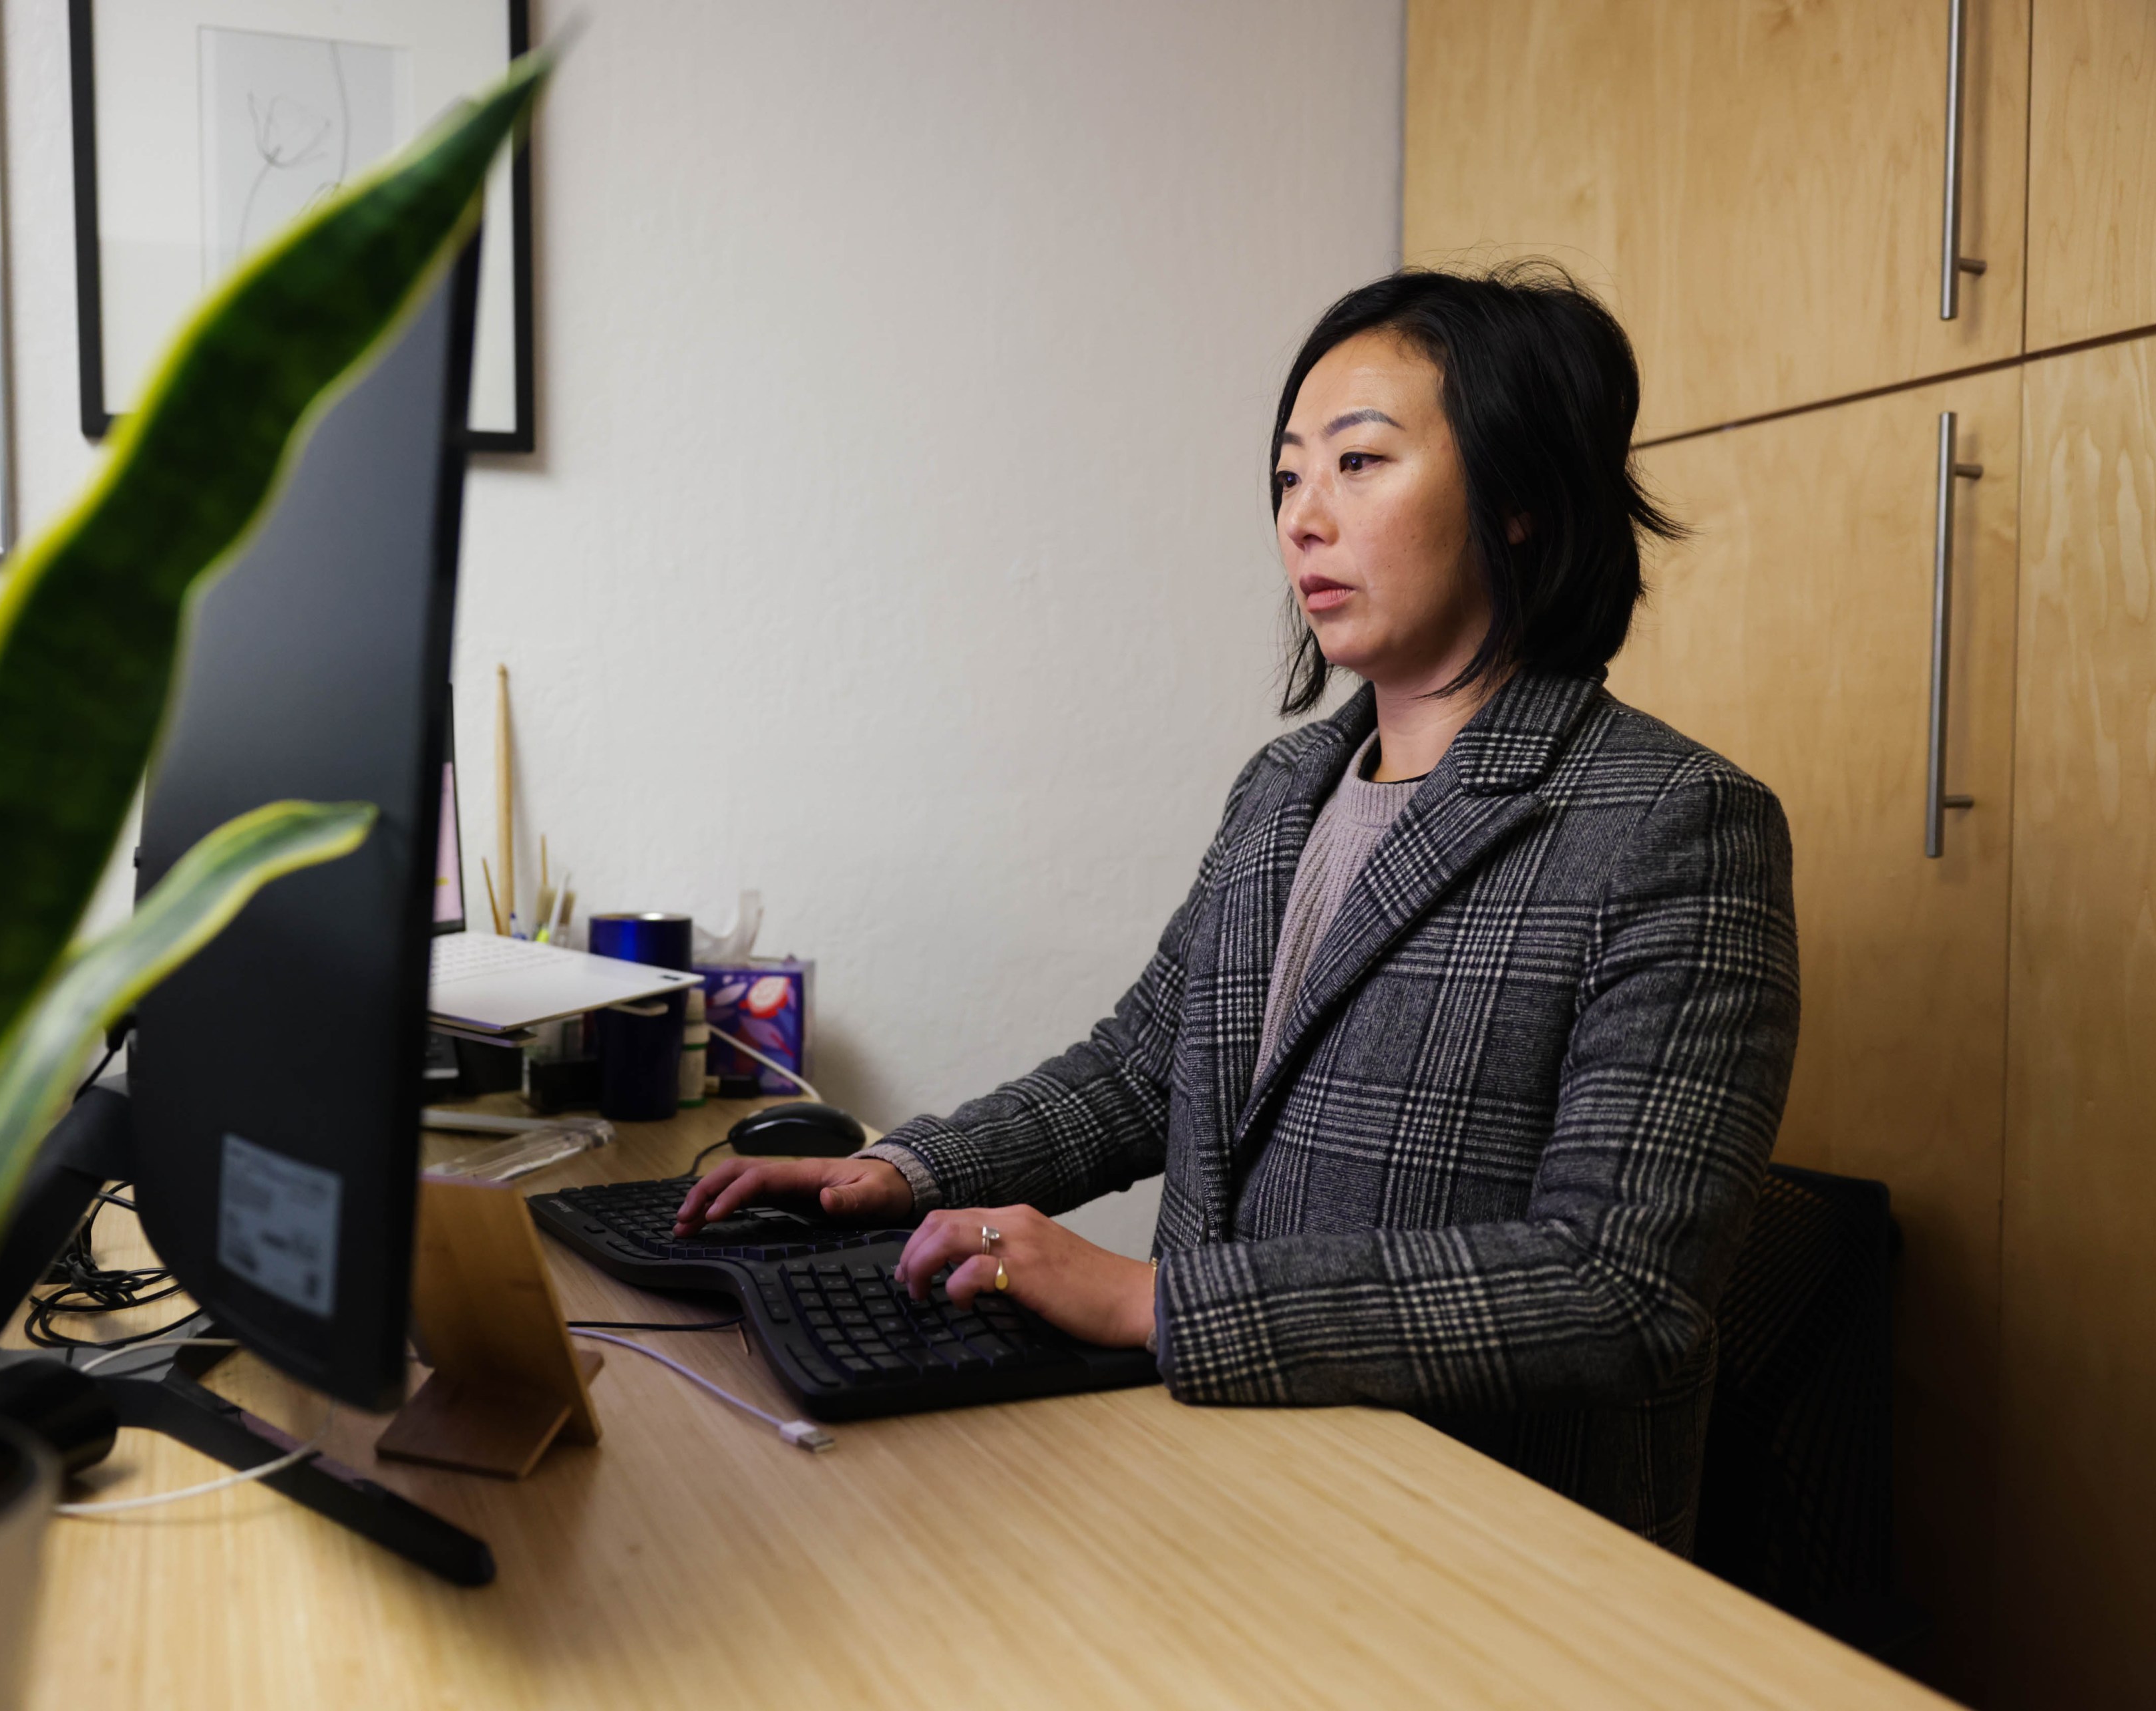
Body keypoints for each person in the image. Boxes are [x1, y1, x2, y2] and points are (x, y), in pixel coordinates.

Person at [675, 265, 1800, 1551]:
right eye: (1286, 478)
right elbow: (1148, 1065)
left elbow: (1620, 1286)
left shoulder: (1673, 822)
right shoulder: (1285, 787)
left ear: (1526, 498)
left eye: (1359, 464)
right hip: (1222, 1485)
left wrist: (1154, 1302)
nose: (1303, 521)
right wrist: (894, 1172)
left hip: (1478, 1551)